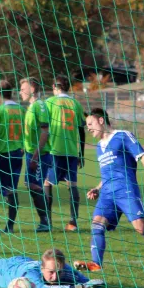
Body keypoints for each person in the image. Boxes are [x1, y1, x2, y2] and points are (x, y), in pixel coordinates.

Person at [73, 108, 144, 272]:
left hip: (126, 190)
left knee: (141, 229)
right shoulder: (98, 147)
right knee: (97, 225)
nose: (88, 128)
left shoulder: (122, 136)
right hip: (108, 194)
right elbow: (109, 173)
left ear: (101, 120)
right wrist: (97, 188)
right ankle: (96, 264)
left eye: (90, 123)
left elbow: (141, 154)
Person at [44, 75, 86, 232]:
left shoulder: (49, 102)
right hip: (72, 151)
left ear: (55, 86)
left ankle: (47, 221)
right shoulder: (75, 103)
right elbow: (81, 130)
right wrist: (81, 152)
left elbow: (43, 126)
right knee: (72, 185)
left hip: (54, 149)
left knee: (47, 183)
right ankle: (73, 222)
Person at [0, 80, 25, 233]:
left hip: (1, 154)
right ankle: (10, 225)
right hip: (17, 154)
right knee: (11, 190)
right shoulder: (21, 109)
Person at [20, 77, 52, 232]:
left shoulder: (39, 105)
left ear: (32, 89)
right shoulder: (31, 107)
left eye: (23, 89)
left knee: (36, 186)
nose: (20, 92)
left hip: (39, 155)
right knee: (31, 185)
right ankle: (45, 220)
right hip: (30, 153)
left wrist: (35, 156)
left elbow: (45, 133)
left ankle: (46, 221)